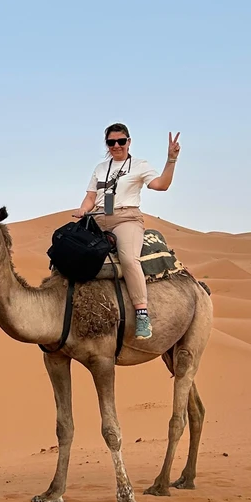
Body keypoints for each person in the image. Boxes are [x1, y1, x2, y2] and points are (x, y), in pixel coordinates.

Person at [73, 124, 181, 340]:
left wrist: (171, 160)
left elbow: (161, 185)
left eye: (121, 141)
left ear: (129, 142)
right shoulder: (101, 168)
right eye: (111, 142)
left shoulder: (140, 165)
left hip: (127, 218)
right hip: (97, 218)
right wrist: (83, 209)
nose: (116, 146)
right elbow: (91, 196)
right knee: (70, 250)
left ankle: (142, 313)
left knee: (129, 259)